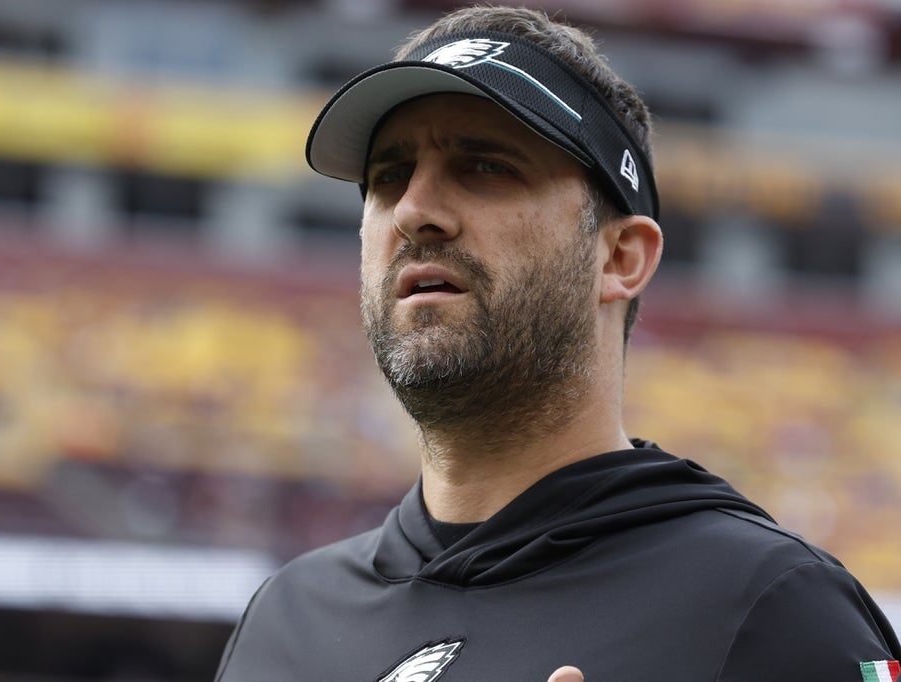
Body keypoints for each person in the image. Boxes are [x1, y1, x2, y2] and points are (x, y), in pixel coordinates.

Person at [215, 5, 901, 681]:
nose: (416, 210)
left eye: (485, 166)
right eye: (389, 176)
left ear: (620, 259)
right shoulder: (285, 620)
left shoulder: (769, 609)